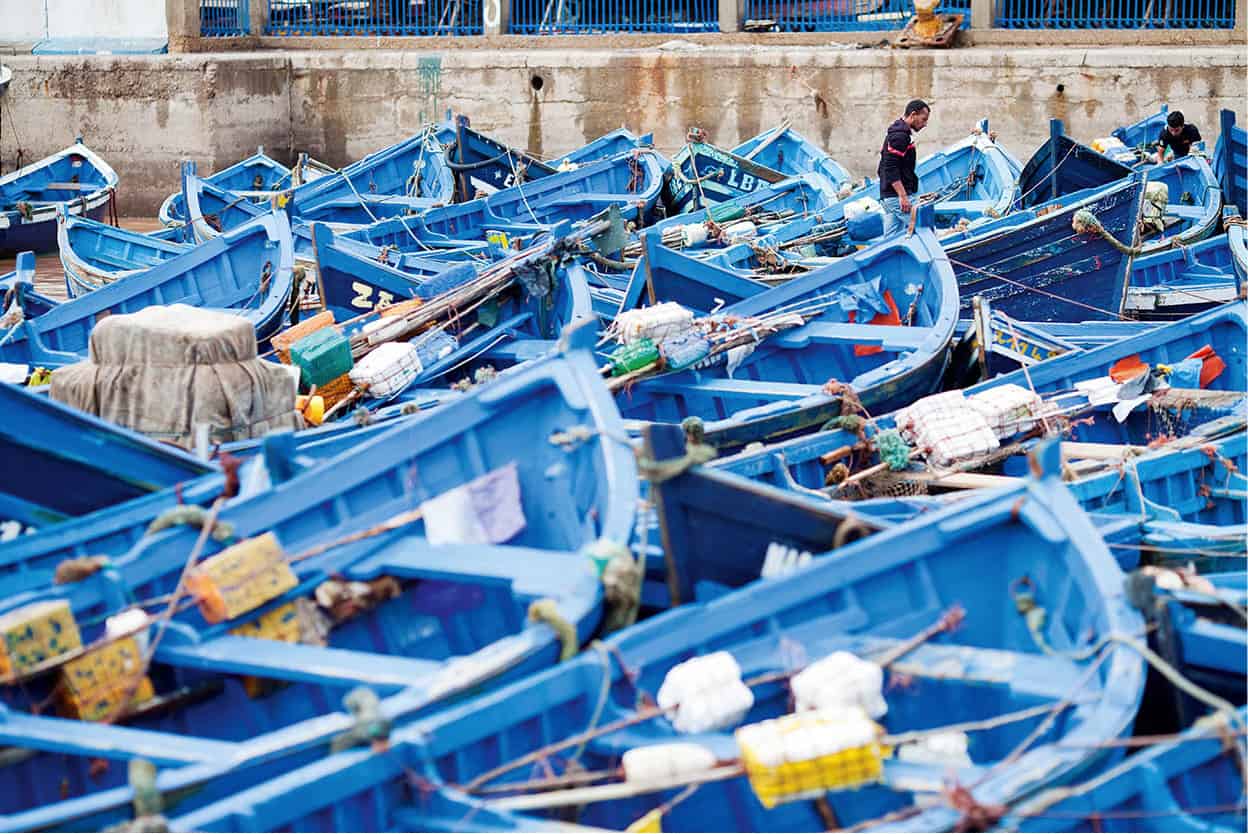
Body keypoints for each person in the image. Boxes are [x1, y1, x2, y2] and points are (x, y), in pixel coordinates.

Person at [878, 100, 930, 238]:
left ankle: (887, 258)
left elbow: (885, 165)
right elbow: (890, 167)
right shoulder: (900, 136)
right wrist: (902, 196)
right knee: (925, 230)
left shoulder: (901, 132)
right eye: (923, 119)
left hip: (888, 195)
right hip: (896, 197)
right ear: (913, 115)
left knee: (891, 238)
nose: (925, 124)